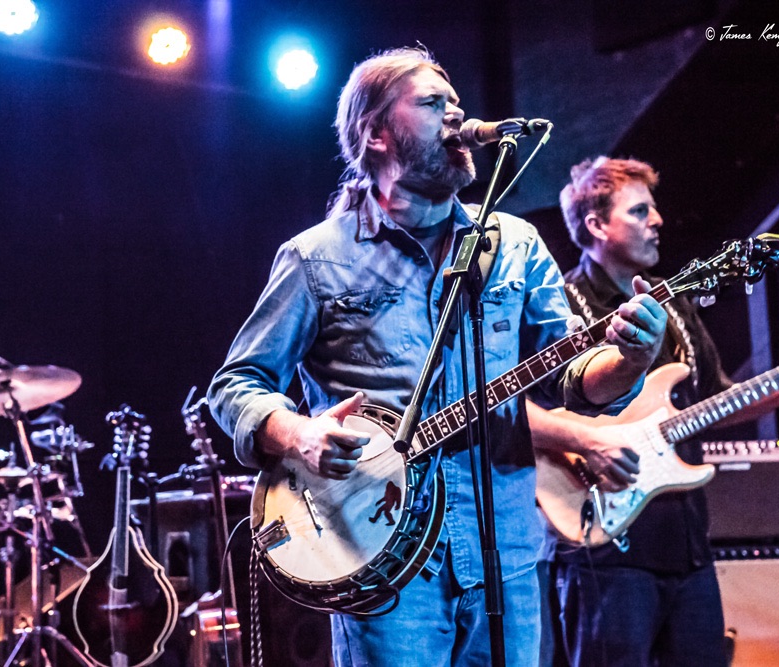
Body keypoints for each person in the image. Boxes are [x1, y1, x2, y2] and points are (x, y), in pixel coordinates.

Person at [207, 50, 669, 667]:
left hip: (504, 557)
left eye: (456, 102)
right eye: (431, 103)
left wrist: (631, 359)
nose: (456, 116)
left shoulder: (514, 244)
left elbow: (570, 378)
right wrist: (298, 433)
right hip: (382, 562)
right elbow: (236, 382)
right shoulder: (315, 258)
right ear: (376, 133)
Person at [527, 156, 779, 667]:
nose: (657, 221)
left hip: (688, 546)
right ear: (595, 225)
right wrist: (588, 444)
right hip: (604, 547)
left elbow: (712, 400)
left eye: (653, 210)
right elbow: (518, 415)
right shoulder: (559, 307)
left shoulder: (674, 304)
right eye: (639, 211)